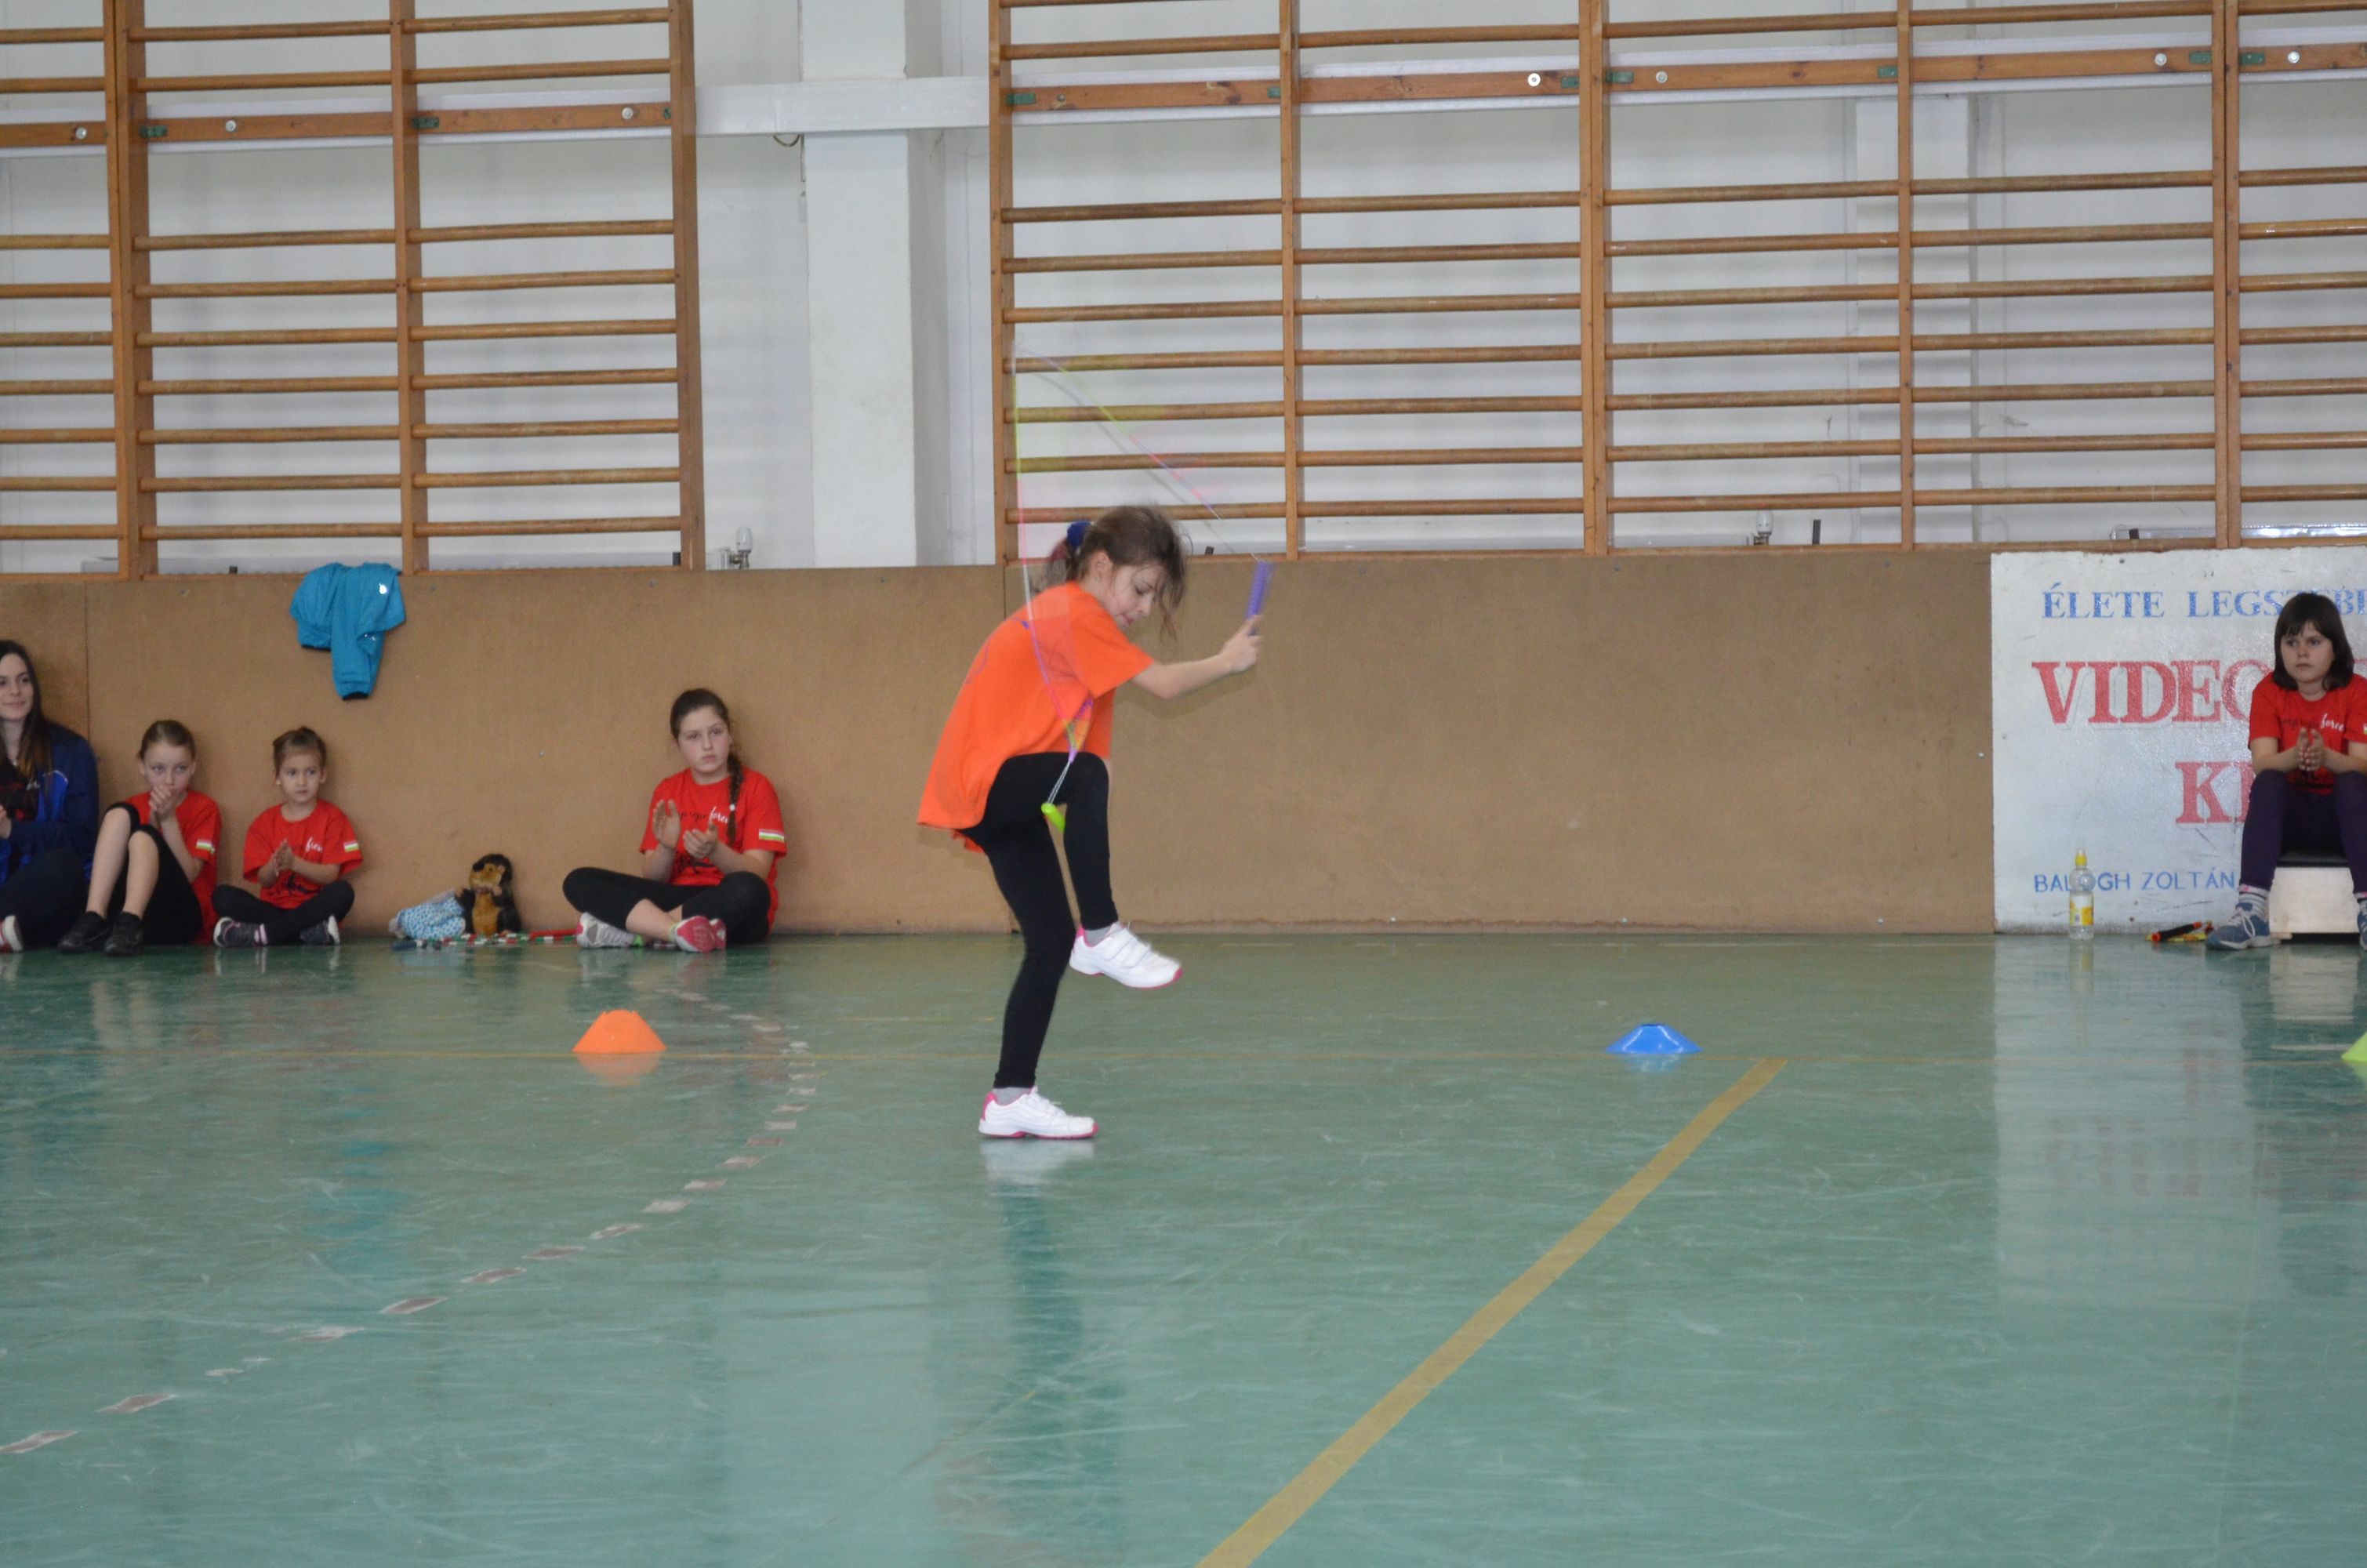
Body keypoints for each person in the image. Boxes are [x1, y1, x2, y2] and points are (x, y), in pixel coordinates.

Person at [920, 506, 1262, 1141]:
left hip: (1006, 795)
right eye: (1140, 589)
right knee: (1087, 779)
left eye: (1153, 597)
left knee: (1050, 943)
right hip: (988, 783)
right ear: (1100, 567)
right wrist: (1227, 660)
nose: (1142, 607)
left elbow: (1084, 749)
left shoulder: (1075, 622)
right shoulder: (1075, 611)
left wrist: (1083, 789)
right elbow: (1161, 686)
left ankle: (1010, 1097)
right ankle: (1101, 931)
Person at [563, 688, 785, 953]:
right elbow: (653, 878)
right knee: (578, 880)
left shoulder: (758, 787)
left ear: (730, 734)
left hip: (729, 904)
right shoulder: (668, 790)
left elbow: (757, 873)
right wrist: (666, 847)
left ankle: (644, 933)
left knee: (751, 890)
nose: (707, 745)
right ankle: (673, 931)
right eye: (693, 737)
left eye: (716, 732)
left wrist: (715, 850)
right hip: (678, 899)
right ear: (678, 744)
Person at [2209, 592, 2367, 949]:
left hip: (2343, 824)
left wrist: (2327, 758)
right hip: (2292, 825)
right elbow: (2263, 762)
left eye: (2314, 642)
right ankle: (2251, 911)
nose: (2302, 653)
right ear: (2279, 648)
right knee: (2268, 783)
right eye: (2292, 642)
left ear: (2336, 648)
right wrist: (2296, 756)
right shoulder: (2268, 691)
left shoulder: (2358, 691)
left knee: (2354, 785)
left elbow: (2362, 763)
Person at [57, 720, 220, 956]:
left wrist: (168, 821)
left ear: (193, 766)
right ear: (142, 765)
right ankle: (93, 917)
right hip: (130, 919)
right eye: (158, 769)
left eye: (180, 769)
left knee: (143, 838)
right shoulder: (134, 805)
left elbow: (190, 875)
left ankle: (131, 922)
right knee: (118, 814)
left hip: (181, 918)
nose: (169, 780)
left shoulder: (205, 808)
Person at [212, 727, 362, 948]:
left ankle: (263, 934)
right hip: (272, 910)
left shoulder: (333, 818)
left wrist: (295, 863)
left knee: (343, 892)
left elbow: (331, 875)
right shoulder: (264, 823)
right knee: (222, 896)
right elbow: (263, 880)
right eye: (292, 773)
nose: (302, 782)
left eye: (310, 772)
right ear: (278, 777)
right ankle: (305, 934)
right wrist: (274, 866)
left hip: (313, 909)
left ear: (323, 774)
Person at [0, 641, 100, 953]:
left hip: (49, 898)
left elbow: (81, 841)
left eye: (24, 680)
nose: (15, 692)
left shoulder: (71, 751)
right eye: (2, 683)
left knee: (63, 866)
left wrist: (11, 830)